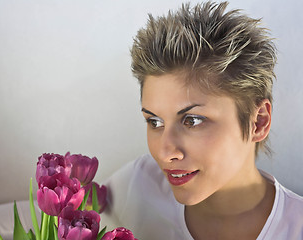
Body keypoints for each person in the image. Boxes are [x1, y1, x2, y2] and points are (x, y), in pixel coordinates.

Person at [102, 1, 303, 239]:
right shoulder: (136, 185)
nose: (166, 153)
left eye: (192, 121)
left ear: (258, 122)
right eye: (154, 122)